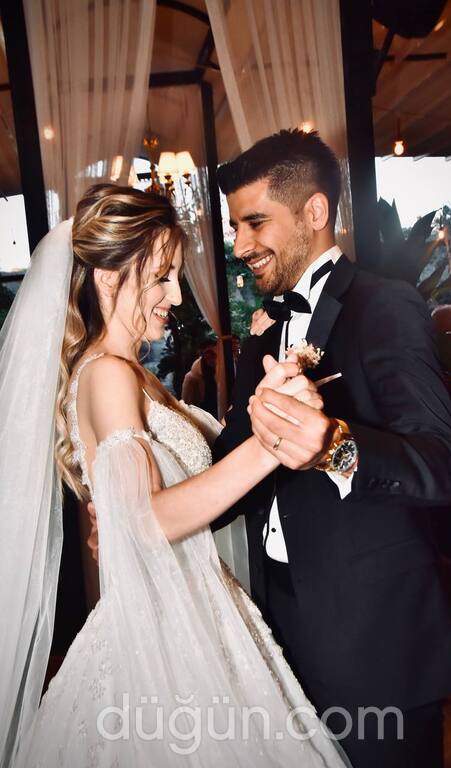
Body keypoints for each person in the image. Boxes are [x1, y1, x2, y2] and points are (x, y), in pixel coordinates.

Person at [0, 184, 350, 768]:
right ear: (109, 278)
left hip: (190, 611)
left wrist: (266, 400)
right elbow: (147, 521)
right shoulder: (107, 374)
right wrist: (272, 444)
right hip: (161, 636)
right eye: (162, 277)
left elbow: (158, 493)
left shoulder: (129, 373)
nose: (177, 295)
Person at [212, 128, 451, 768]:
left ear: (315, 211)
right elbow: (230, 473)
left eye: (254, 223)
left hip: (375, 641)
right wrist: (139, 509)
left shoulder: (385, 307)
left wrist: (335, 447)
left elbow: (442, 468)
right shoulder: (260, 340)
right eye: (235, 227)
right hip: (276, 631)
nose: (239, 245)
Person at [181, 339, 218, 417]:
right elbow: (190, 396)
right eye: (205, 354)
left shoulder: (224, 362)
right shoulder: (197, 367)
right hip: (206, 400)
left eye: (211, 353)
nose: (208, 356)